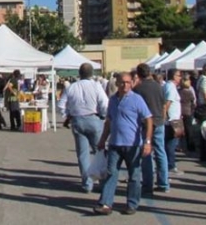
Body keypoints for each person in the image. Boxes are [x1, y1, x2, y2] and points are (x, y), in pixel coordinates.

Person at [93, 72, 153, 215]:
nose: (125, 85)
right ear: (117, 83)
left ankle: (132, 204)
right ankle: (106, 204)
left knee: (134, 176)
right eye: (122, 82)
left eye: (128, 82)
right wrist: (102, 140)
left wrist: (148, 141)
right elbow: (109, 121)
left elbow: (149, 119)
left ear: (132, 83)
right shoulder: (113, 100)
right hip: (115, 144)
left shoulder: (137, 99)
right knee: (111, 173)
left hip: (133, 145)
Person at [58, 63, 108, 193]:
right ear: (92, 74)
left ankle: (87, 184)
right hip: (94, 118)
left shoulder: (72, 87)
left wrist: (67, 115)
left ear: (79, 74)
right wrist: (103, 116)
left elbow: (61, 104)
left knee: (83, 154)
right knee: (100, 152)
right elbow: (104, 103)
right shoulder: (96, 86)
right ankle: (103, 183)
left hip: (77, 119)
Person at [133, 63, 169, 194]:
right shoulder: (159, 86)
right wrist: (163, 117)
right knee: (160, 151)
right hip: (159, 120)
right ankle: (164, 182)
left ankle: (148, 184)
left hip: (145, 123)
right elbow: (164, 104)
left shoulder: (138, 88)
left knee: (146, 153)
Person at [163, 69, 183, 175]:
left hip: (172, 119)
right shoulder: (170, 87)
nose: (180, 78)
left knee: (170, 143)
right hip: (172, 120)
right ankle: (171, 165)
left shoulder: (169, 86)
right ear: (173, 76)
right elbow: (167, 103)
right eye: (179, 75)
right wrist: (165, 116)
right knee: (171, 143)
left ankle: (169, 164)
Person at [178, 76, 196, 152]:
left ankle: (181, 146)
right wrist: (192, 110)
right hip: (188, 112)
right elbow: (193, 102)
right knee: (189, 130)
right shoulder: (190, 91)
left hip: (180, 112)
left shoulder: (179, 91)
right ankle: (190, 146)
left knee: (181, 130)